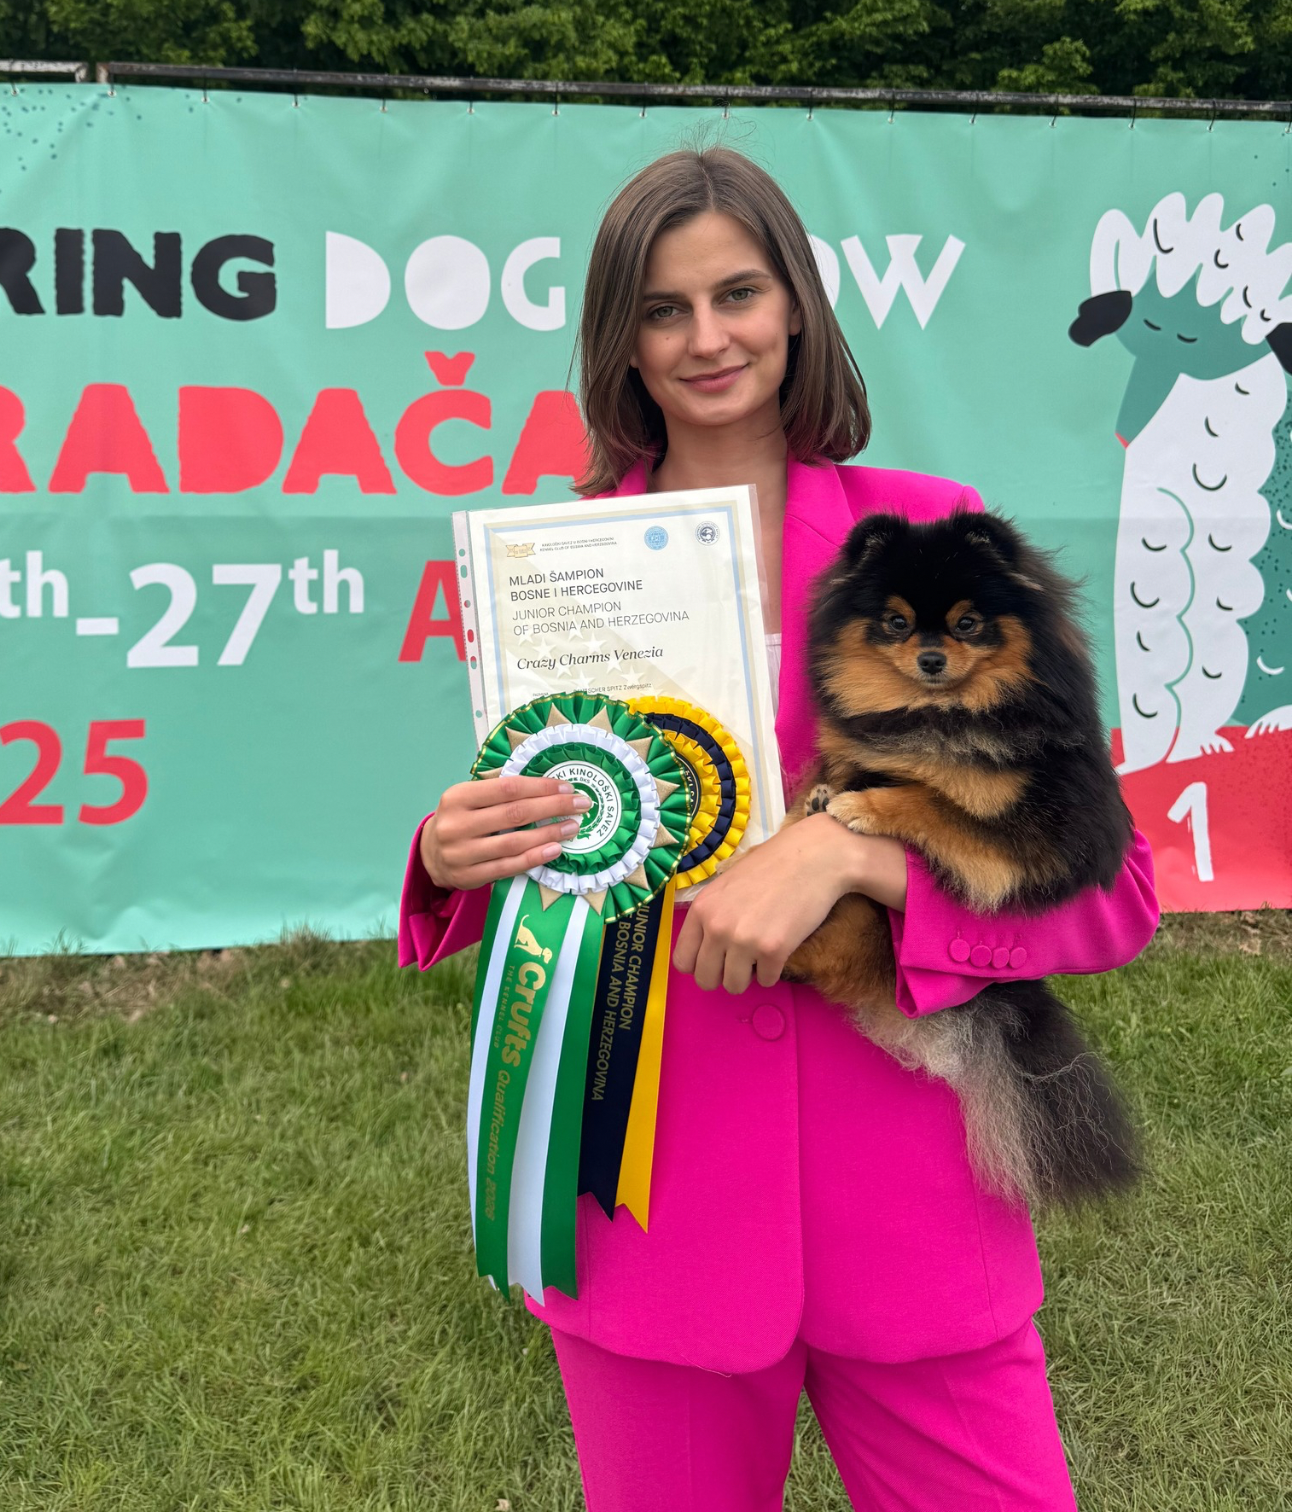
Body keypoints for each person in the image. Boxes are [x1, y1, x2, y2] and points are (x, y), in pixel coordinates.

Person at [398, 145, 1158, 1512]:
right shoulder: (558, 568)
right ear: (619, 338)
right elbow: (562, 856)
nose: (707, 339)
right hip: (654, 1223)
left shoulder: (938, 540)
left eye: (737, 294)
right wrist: (456, 857)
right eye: (663, 309)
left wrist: (856, 854)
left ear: (796, 302)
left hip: (923, 1212)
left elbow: (1113, 897)